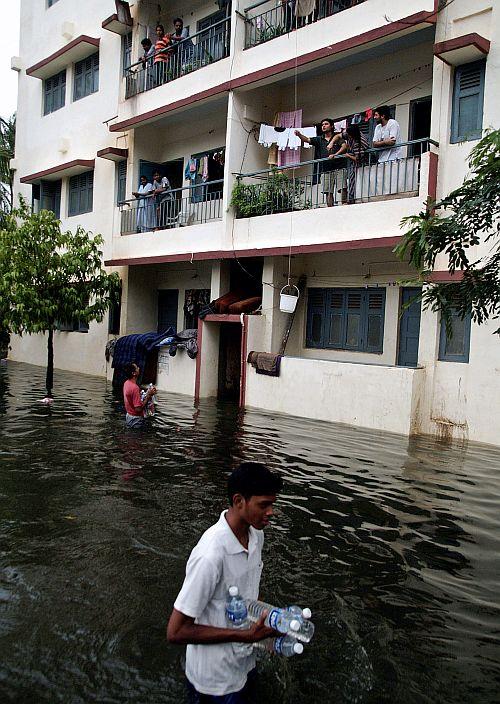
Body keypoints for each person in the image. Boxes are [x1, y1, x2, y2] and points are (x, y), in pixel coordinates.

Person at [167, 462, 284, 702]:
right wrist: (246, 636)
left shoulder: (256, 536)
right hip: (214, 682)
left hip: (244, 663)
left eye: (272, 504)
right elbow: (176, 631)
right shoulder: (211, 555)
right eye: (264, 505)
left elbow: (248, 596)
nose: (271, 511)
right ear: (239, 500)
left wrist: (267, 627)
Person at [295, 118, 345, 207]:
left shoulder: (337, 137)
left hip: (339, 167)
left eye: (326, 124)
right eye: (322, 125)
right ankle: (330, 208)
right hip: (325, 169)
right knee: (328, 191)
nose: (323, 126)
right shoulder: (319, 139)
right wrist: (299, 135)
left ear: (332, 126)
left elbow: (344, 147)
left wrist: (335, 154)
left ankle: (345, 205)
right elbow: (307, 140)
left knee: (342, 188)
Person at [327, 124, 368, 203]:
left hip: (363, 163)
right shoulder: (350, 134)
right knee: (352, 180)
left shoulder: (359, 142)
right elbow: (338, 136)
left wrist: (348, 155)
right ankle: (351, 198)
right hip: (354, 163)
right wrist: (331, 143)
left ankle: (351, 199)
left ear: (352, 135)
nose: (347, 136)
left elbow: (358, 159)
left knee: (355, 181)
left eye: (348, 135)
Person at [123, 362, 157, 429]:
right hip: (136, 420)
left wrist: (146, 393)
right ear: (134, 373)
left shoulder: (126, 383)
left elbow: (132, 401)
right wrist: (148, 396)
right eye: (137, 368)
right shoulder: (135, 388)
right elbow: (138, 409)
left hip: (128, 416)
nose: (139, 368)